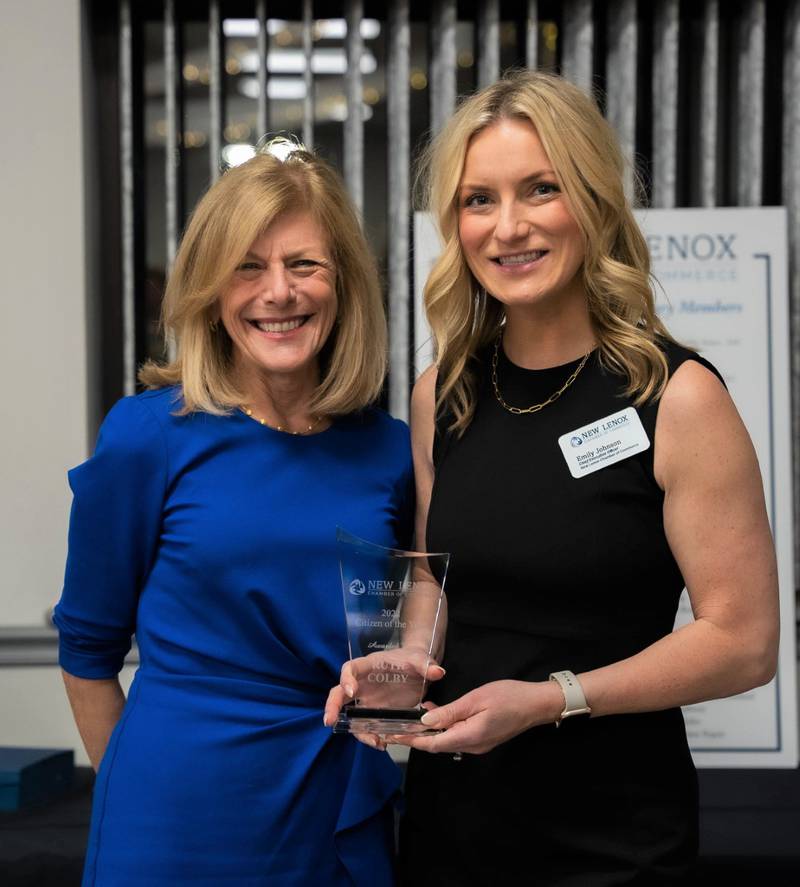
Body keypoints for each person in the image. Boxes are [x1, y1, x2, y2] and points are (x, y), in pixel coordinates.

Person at [327, 72, 779, 885]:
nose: (509, 226)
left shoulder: (677, 396)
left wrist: (549, 698)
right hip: (451, 826)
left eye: (541, 189)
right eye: (479, 200)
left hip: (611, 841)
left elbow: (743, 645)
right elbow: (437, 583)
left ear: (594, 201)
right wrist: (398, 669)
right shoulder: (446, 391)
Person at [53, 138, 413, 887]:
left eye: (304, 265)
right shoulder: (148, 435)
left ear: (343, 283)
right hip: (174, 819)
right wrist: (140, 790)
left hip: (335, 801)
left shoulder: (393, 453)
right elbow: (87, 652)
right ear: (211, 291)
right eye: (247, 266)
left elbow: (410, 622)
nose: (277, 292)